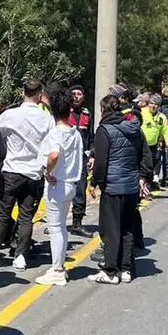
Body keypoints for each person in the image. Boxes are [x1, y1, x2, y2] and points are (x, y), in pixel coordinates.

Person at [0, 79, 53, 271]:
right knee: (26, 217)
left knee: (2, 214)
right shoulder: (46, 118)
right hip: (33, 172)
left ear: (23, 92)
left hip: (11, 170)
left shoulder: (10, 115)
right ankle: (21, 256)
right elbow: (52, 142)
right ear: (40, 95)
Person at [90, 94, 153, 284]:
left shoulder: (104, 130)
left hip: (112, 186)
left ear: (103, 110)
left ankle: (110, 270)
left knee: (111, 229)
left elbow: (101, 162)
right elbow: (146, 156)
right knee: (127, 228)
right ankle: (126, 269)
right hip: (131, 186)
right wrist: (143, 177)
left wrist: (94, 182)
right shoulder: (135, 128)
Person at [35, 87, 85, 286]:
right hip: (71, 183)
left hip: (57, 184)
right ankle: (59, 265)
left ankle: (56, 269)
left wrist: (48, 172)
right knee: (62, 227)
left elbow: (54, 154)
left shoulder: (56, 133)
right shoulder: (75, 133)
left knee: (55, 228)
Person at [67, 86, 92, 234]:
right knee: (62, 190)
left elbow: (90, 137)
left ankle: (77, 223)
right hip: (65, 157)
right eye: (74, 94)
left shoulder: (87, 114)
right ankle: (55, 223)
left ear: (83, 97)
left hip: (81, 157)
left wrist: (92, 155)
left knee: (80, 190)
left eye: (79, 94)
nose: (76, 96)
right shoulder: (63, 112)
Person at [140, 95, 168, 188]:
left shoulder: (161, 117)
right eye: (151, 103)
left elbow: (166, 130)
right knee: (140, 166)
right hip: (141, 144)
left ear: (159, 106)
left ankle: (148, 185)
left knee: (150, 166)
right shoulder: (141, 112)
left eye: (156, 104)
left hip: (152, 145)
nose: (153, 106)